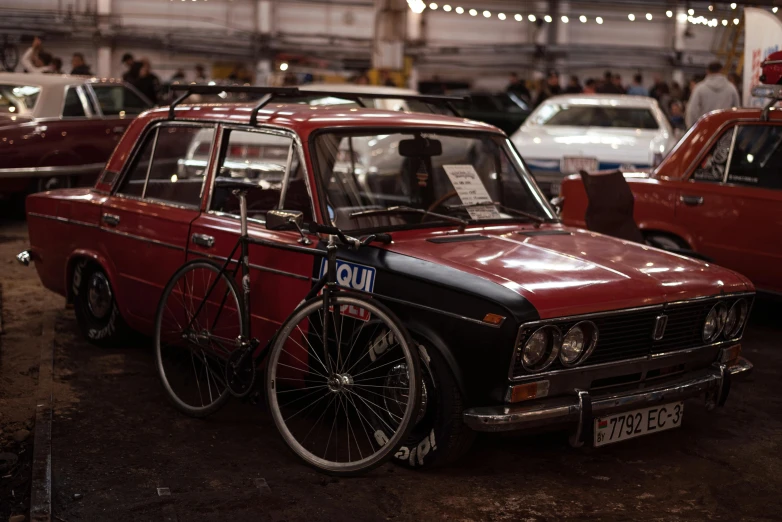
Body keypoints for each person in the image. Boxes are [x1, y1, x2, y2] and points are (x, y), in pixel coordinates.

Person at [685, 61, 740, 127]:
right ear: (721, 70)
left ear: (707, 71)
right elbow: (737, 110)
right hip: (725, 129)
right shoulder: (731, 88)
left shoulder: (699, 88)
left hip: (705, 130)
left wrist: (693, 127)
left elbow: (692, 111)